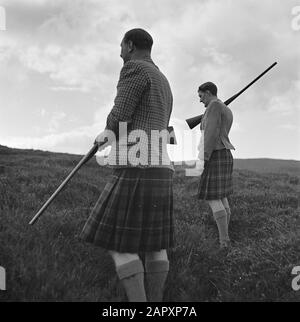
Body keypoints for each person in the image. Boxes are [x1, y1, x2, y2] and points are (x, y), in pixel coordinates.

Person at [80, 28, 174, 302]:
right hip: (160, 166)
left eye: (121, 46)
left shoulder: (134, 69)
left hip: (136, 164)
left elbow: (120, 116)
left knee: (118, 245)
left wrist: (104, 135)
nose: (120, 52)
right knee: (155, 246)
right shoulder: (163, 79)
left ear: (130, 45)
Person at [197, 82, 235, 249]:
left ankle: (224, 242)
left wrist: (203, 157)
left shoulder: (213, 106)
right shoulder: (226, 108)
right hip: (225, 153)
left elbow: (210, 134)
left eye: (201, 96)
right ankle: (225, 239)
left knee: (213, 197)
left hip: (215, 153)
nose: (200, 100)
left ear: (208, 92)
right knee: (221, 197)